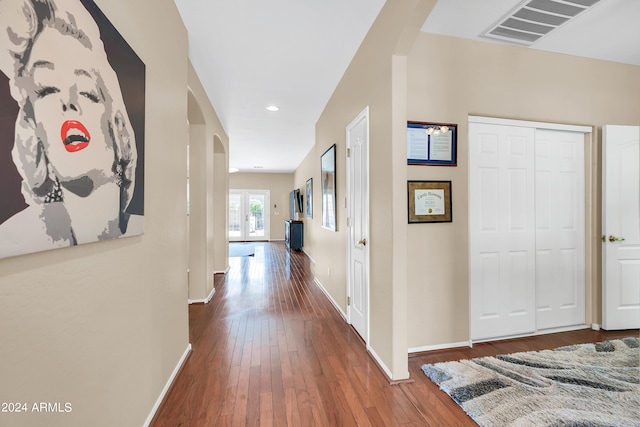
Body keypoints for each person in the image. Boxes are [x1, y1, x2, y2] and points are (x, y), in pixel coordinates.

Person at [0, 0, 141, 258]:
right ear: (33, 129)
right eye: (45, 89)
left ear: (116, 127)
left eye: (87, 91)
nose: (68, 101)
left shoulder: (143, 230)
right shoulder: (12, 238)